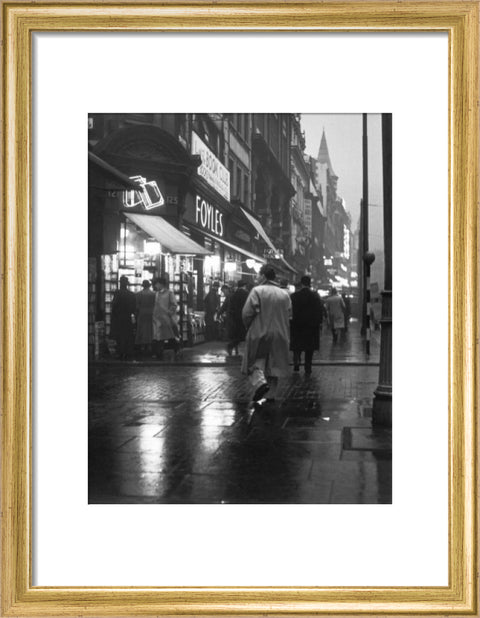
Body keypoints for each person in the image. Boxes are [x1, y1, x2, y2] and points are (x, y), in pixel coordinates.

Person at [241, 264, 291, 404]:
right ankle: (271, 396)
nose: (256, 278)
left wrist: (249, 327)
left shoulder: (257, 291)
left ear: (263, 276)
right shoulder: (284, 294)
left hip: (259, 331)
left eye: (257, 275)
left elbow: (247, 313)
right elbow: (289, 314)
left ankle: (260, 384)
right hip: (280, 333)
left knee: (253, 361)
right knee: (274, 366)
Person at [290, 275, 323, 375]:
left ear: (302, 283)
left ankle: (296, 363)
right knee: (309, 348)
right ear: (310, 283)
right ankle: (308, 367)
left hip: (297, 325)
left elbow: (290, 311)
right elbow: (319, 311)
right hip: (311, 327)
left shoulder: (294, 296)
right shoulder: (315, 296)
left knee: (297, 346)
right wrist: (319, 323)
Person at [152, 277, 180, 360]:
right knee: (158, 337)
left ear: (161, 284)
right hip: (157, 319)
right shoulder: (156, 294)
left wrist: (169, 313)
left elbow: (174, 304)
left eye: (156, 283)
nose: (156, 285)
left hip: (166, 319)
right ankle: (158, 353)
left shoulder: (169, 293)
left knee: (170, 336)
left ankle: (176, 349)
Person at [110, 275, 136, 360]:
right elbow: (133, 308)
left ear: (120, 283)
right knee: (127, 335)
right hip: (127, 318)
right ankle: (127, 352)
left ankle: (120, 352)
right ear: (127, 284)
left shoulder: (117, 293)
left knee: (119, 335)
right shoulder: (131, 294)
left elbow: (114, 305)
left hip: (118, 318)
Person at [225, 280, 249, 355]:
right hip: (243, 317)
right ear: (244, 286)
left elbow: (230, 307)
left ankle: (233, 347)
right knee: (242, 335)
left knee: (238, 335)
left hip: (234, 318)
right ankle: (231, 346)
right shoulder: (246, 294)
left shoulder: (233, 294)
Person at [135, 279, 155, 356]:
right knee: (150, 330)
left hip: (142, 313)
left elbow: (137, 306)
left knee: (142, 330)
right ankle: (149, 345)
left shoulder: (139, 294)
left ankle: (142, 346)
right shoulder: (153, 294)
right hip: (151, 313)